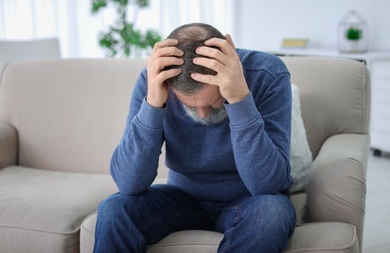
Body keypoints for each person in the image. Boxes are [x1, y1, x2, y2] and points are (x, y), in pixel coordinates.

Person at [93, 23, 296, 252]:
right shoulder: (157, 79)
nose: (202, 115)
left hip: (249, 199)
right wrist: (153, 104)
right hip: (183, 197)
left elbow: (266, 184)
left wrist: (239, 99)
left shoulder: (267, 73)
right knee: (114, 208)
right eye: (189, 106)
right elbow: (128, 183)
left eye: (211, 102)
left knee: (272, 212)